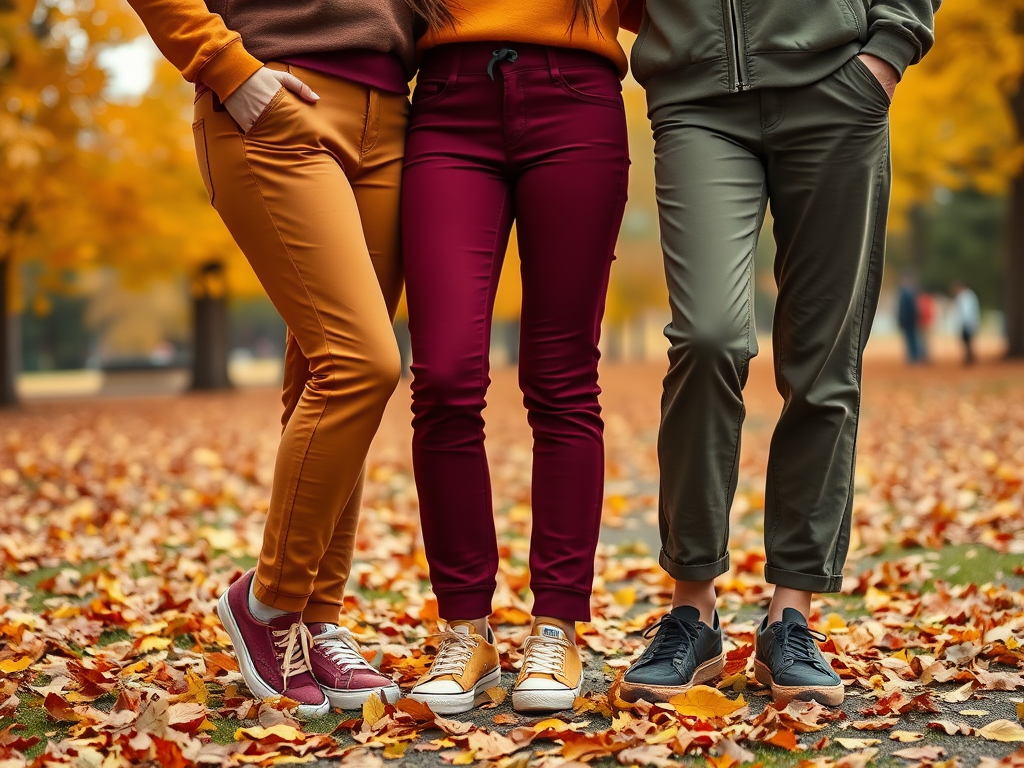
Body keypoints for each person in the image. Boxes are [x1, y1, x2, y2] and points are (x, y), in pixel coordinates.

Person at [621, 0, 940, 707]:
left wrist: (888, 49)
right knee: (706, 338)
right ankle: (692, 611)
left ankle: (789, 615)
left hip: (838, 84)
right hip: (695, 95)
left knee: (823, 362)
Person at [126, 0, 415, 716]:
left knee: (323, 374)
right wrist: (227, 68)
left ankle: (314, 623)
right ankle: (267, 604)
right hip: (277, 97)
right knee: (362, 362)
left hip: (397, 114)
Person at [402, 0, 641, 714]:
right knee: (442, 376)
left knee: (562, 377)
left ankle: (556, 627)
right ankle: (464, 629)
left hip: (576, 91)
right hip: (447, 100)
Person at [952, 280, 981, 365]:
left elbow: (966, 311)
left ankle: (969, 359)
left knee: (967, 341)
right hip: (969, 322)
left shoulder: (965, 296)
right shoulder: (969, 296)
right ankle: (969, 358)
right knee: (968, 342)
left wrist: (966, 323)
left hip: (966, 323)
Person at [898, 273, 923, 364]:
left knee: (912, 338)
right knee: (911, 338)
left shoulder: (909, 293)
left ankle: (914, 357)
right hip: (908, 320)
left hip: (910, 320)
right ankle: (913, 357)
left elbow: (908, 309)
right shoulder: (908, 292)